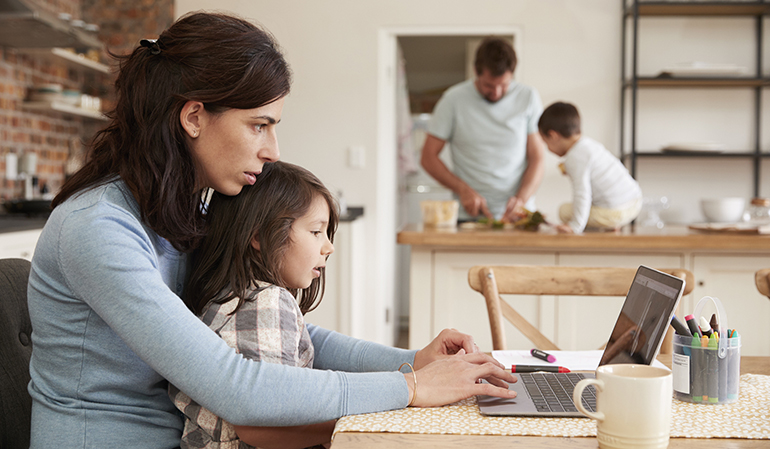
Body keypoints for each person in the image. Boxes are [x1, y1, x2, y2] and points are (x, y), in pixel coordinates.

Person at [26, 11, 517, 448]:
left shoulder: (181, 214)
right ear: (195, 116)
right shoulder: (99, 229)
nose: (273, 149)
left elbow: (291, 333)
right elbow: (236, 386)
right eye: (259, 125)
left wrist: (413, 361)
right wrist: (412, 388)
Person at [170, 161, 337, 448]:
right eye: (315, 232)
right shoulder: (266, 302)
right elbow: (265, 422)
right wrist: (347, 423)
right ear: (259, 236)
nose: (328, 247)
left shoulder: (228, 296)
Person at [420, 36, 546, 222]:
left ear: (512, 74)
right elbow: (428, 157)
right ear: (476, 72)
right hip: (469, 216)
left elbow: (538, 157)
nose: (495, 93)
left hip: (517, 216)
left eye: (503, 85)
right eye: (488, 85)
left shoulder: (528, 97)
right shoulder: (453, 100)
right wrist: (462, 189)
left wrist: (521, 199)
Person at [537, 101, 642, 234]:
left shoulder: (574, 157)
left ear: (553, 136)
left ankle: (608, 223)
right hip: (634, 202)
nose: (548, 148)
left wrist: (575, 226)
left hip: (616, 212)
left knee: (564, 211)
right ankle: (610, 224)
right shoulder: (589, 145)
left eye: (546, 143)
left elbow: (582, 193)